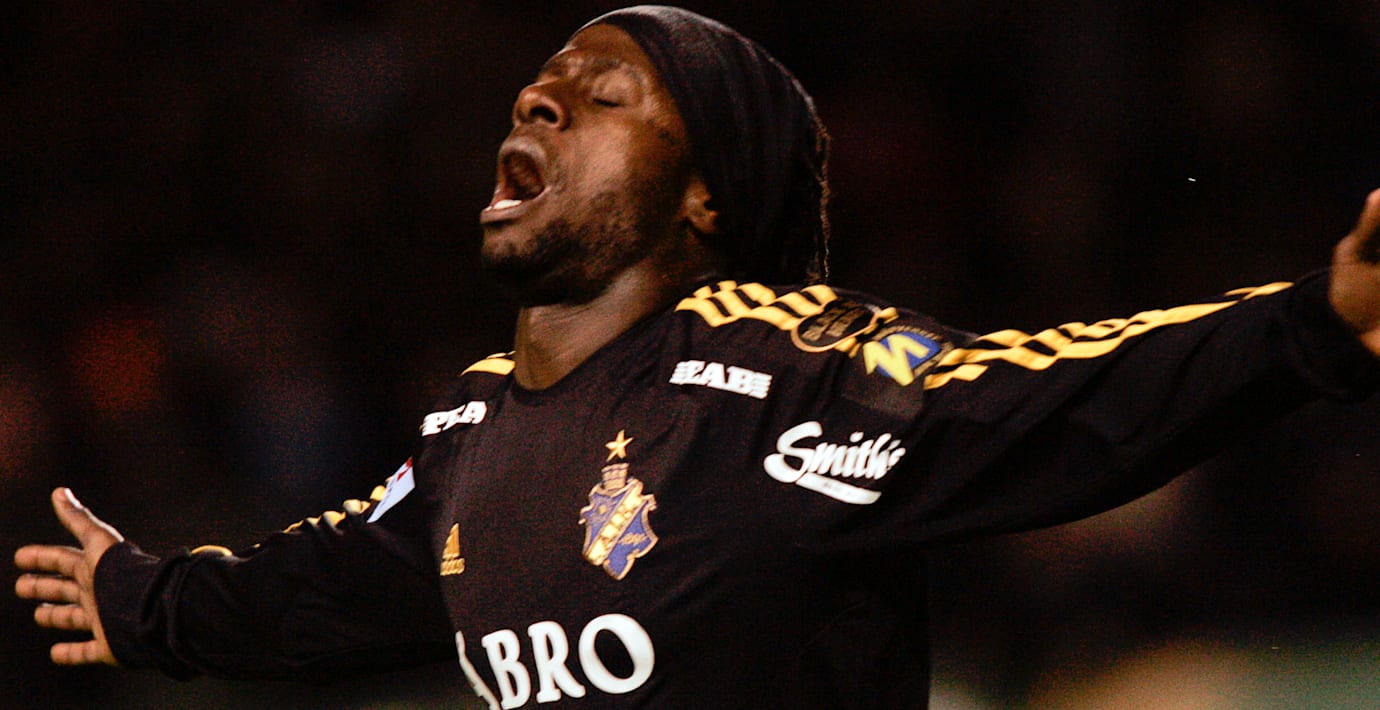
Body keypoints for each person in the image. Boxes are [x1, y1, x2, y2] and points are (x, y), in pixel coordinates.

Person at [14, 5, 1380, 708]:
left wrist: (1313, 322)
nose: (541, 96)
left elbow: (1037, 393)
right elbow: (332, 582)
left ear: (707, 195)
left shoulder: (771, 372)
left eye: (605, 94)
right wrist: (151, 602)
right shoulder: (471, 433)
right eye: (542, 84)